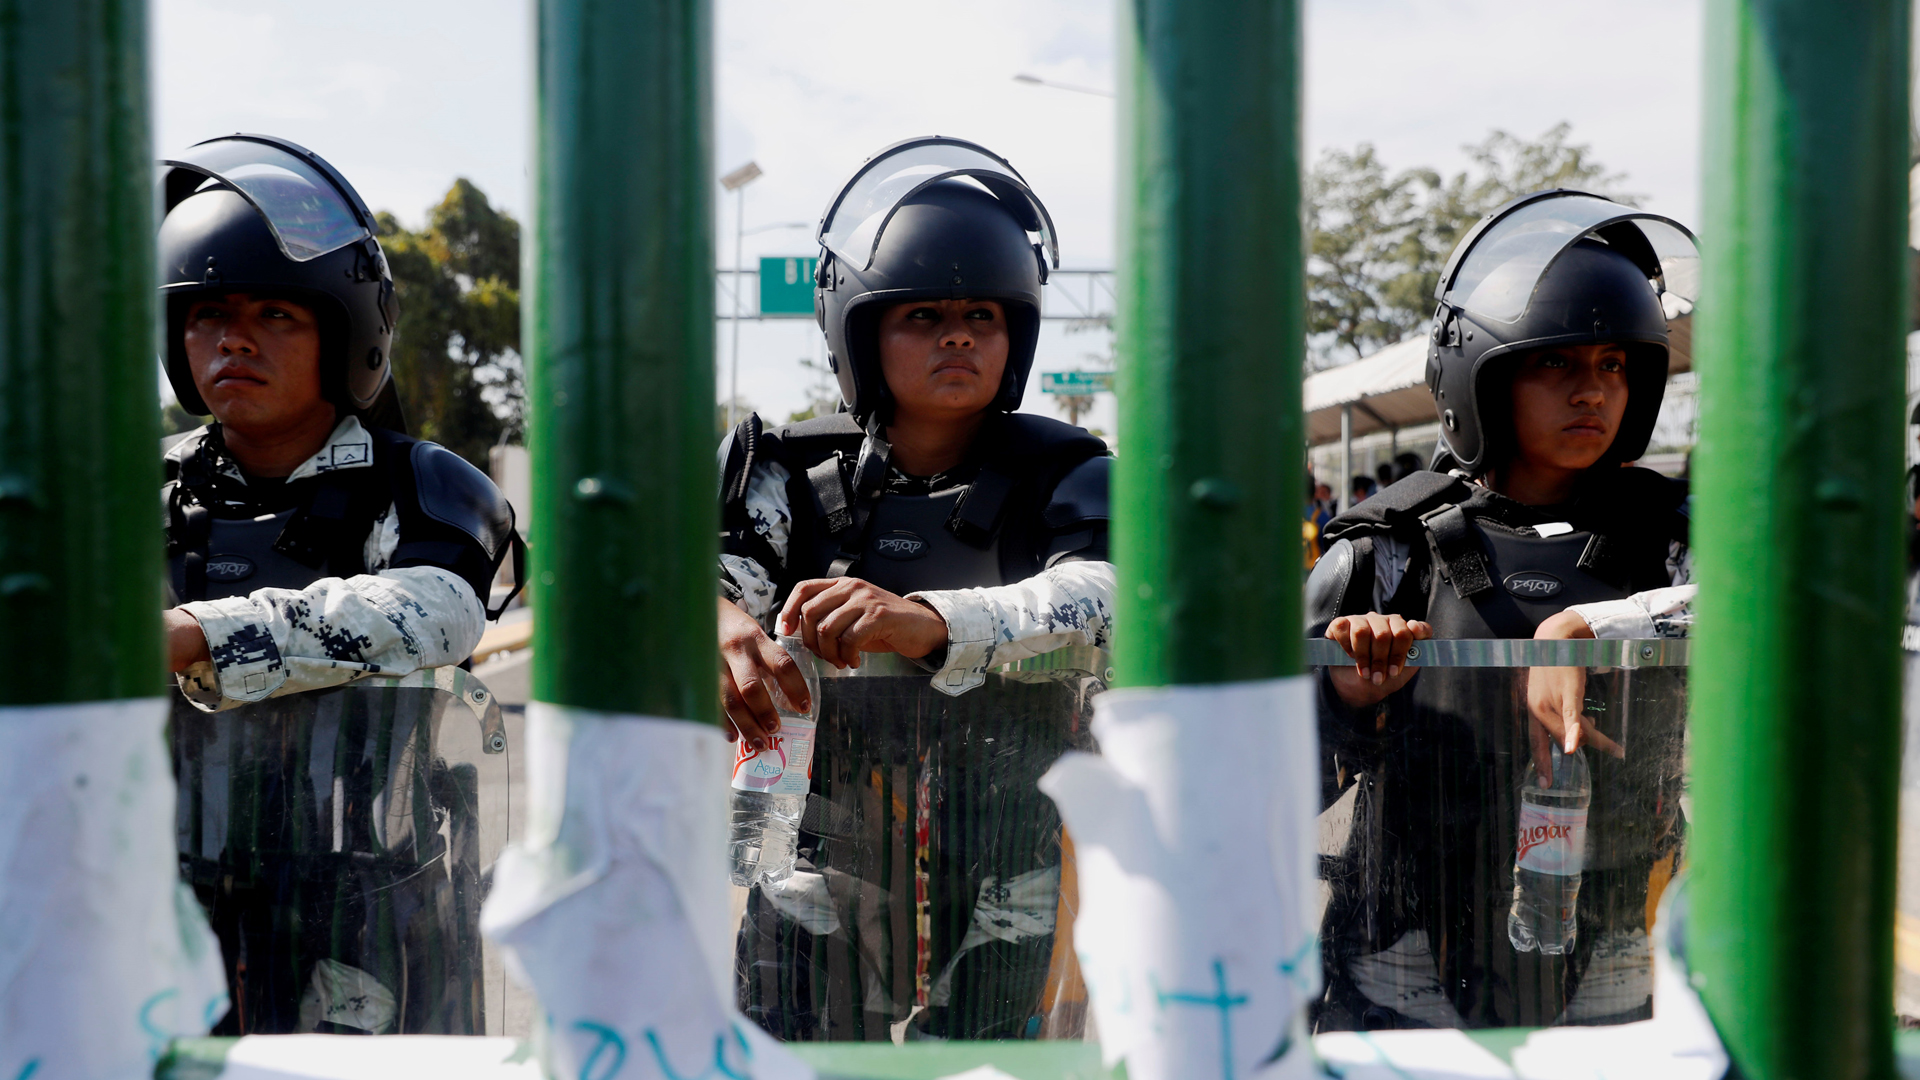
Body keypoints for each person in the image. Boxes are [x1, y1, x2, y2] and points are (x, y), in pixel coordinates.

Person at [716, 137, 1113, 1040]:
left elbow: (1109, 595)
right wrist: (712, 618)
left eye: (983, 313)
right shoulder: (785, 476)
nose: (959, 334)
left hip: (1015, 858)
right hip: (818, 846)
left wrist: (933, 621)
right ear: (859, 328)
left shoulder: (1070, 470)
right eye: (923, 315)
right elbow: (704, 584)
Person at [1307, 190, 1698, 1030]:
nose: (1592, 391)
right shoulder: (1388, 551)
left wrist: (1589, 628)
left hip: (1619, 947)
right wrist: (1345, 697)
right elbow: (1266, 785)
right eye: (1555, 363)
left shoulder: (1679, 540)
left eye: (1613, 365)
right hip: (1404, 957)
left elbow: (1776, 613)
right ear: (1480, 372)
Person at [158, 135, 521, 1034]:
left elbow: (435, 612)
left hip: (365, 921)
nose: (233, 336)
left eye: (276, 313)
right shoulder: (128, 494)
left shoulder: (424, 483)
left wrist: (198, 634)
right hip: (154, 910)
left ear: (344, 329)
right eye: (207, 313)